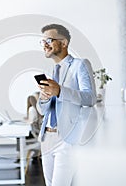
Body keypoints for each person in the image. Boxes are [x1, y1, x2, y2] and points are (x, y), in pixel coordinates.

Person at [37, 24, 97, 186]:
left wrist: (60, 91)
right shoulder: (50, 72)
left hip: (67, 138)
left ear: (64, 43)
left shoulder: (80, 65)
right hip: (46, 138)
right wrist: (43, 98)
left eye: (49, 40)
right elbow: (42, 110)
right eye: (42, 42)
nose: (45, 45)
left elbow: (90, 98)